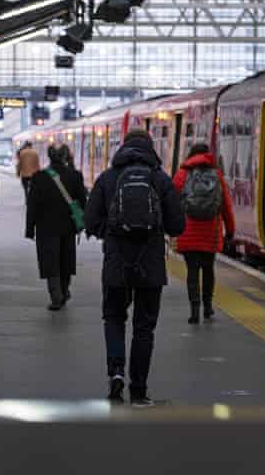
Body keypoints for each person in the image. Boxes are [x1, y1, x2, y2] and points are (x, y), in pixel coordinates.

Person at [84, 129, 185, 406]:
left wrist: (113, 231)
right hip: (150, 264)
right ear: (151, 149)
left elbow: (90, 221)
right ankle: (139, 391)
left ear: (123, 148)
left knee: (114, 318)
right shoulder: (160, 179)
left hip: (116, 262)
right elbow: (178, 226)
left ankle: (116, 373)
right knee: (144, 328)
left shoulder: (107, 178)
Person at [173, 143, 236, 324]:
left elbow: (171, 202)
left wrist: (170, 228)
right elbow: (226, 206)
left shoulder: (181, 174)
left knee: (192, 271)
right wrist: (230, 230)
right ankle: (208, 306)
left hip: (188, 231)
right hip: (211, 232)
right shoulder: (216, 175)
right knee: (208, 269)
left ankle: (194, 310)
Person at [25, 142, 86, 310]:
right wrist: (84, 223)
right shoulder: (75, 176)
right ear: (66, 157)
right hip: (68, 226)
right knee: (66, 259)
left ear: (49, 157)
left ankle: (56, 297)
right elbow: (83, 201)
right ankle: (64, 290)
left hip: (46, 227)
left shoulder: (39, 177)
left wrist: (30, 229)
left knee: (50, 261)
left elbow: (32, 205)